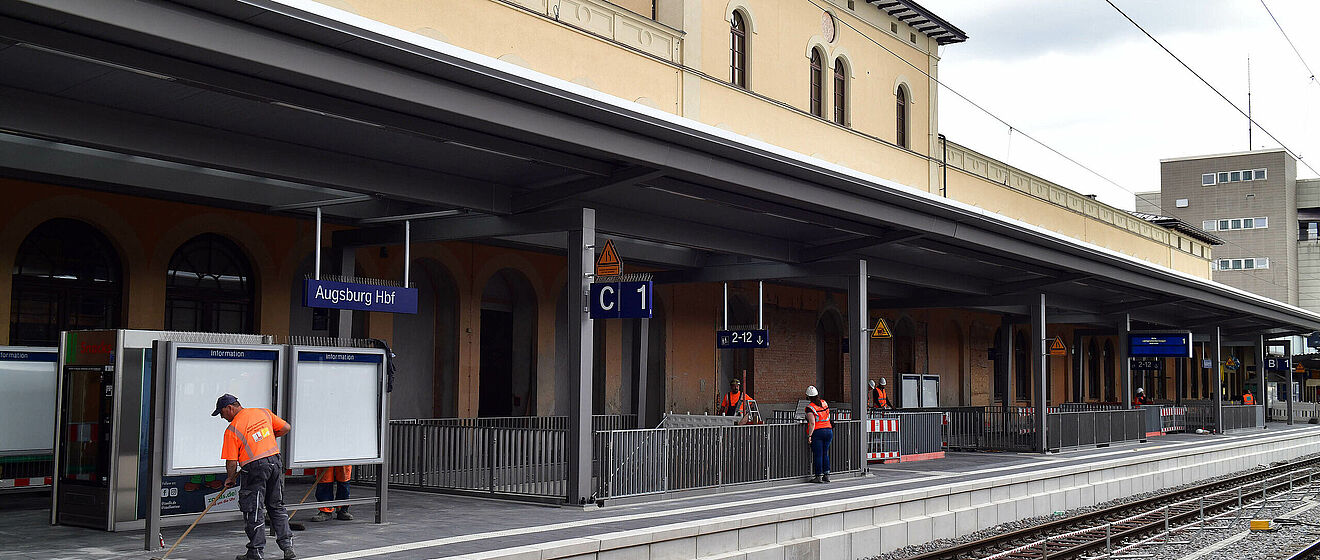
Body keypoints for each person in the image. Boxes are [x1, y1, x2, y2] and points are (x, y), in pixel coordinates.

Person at [215, 394, 296, 560]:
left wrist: (230, 478)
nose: (223, 418)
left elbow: (231, 462)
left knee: (253, 509)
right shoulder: (263, 412)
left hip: (254, 469)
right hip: (275, 462)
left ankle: (256, 552)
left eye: (222, 413)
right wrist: (269, 437)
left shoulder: (233, 429)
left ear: (229, 408)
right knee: (276, 506)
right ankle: (287, 547)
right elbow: (286, 427)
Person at [804, 385, 832, 483]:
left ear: (808, 397)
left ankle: (818, 476)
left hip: (818, 432)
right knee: (825, 453)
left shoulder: (809, 408)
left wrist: (810, 436)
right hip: (828, 430)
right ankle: (827, 475)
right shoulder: (824, 403)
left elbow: (812, 423)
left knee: (818, 455)